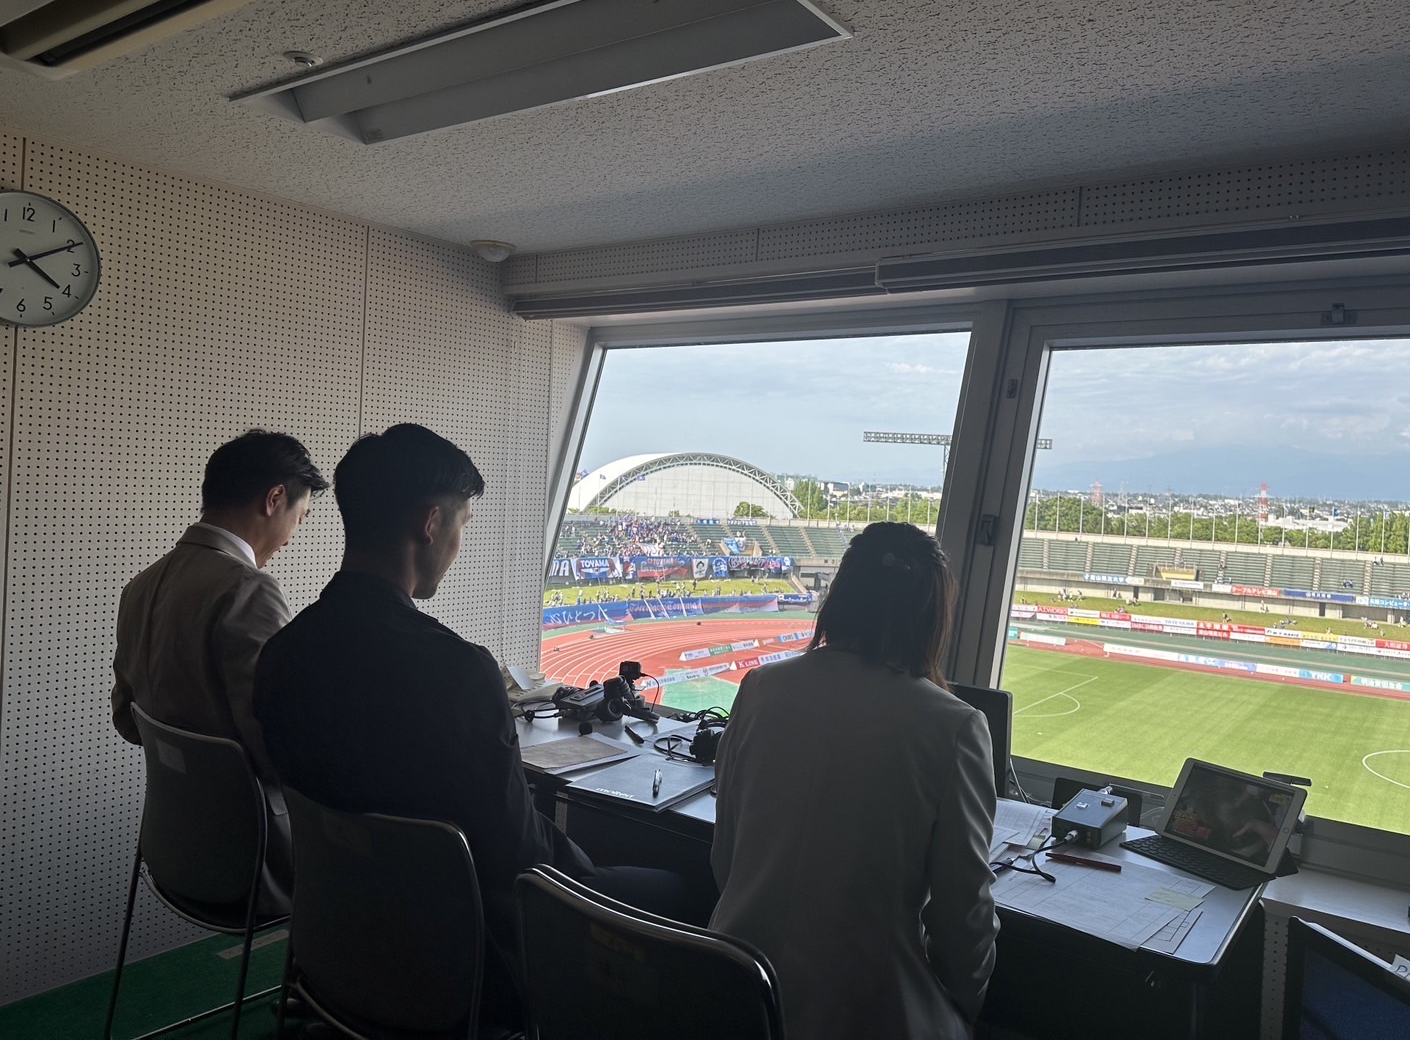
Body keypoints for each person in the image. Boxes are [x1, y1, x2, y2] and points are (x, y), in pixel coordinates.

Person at [255, 424, 690, 1030]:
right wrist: (590, 867)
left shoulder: (281, 655)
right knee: (681, 889)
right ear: (430, 524)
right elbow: (520, 855)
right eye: (462, 524)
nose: (459, 545)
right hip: (472, 970)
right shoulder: (457, 672)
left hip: (337, 950)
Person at [710, 521, 998, 1040]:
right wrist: (962, 1008)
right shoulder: (955, 727)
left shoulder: (758, 688)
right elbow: (963, 921)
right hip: (866, 1012)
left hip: (735, 994)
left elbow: (725, 857)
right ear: (932, 615)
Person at [112, 429, 328, 907]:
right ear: (274, 499)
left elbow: (127, 721)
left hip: (171, 845)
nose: (291, 539)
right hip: (256, 856)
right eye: (300, 518)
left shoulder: (141, 585)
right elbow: (278, 750)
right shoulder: (248, 589)